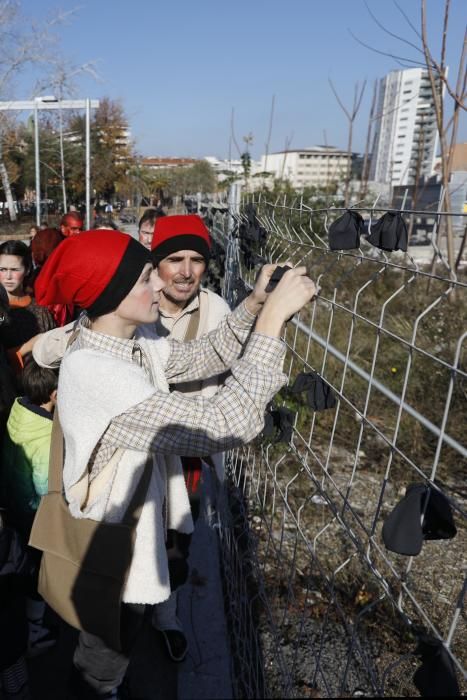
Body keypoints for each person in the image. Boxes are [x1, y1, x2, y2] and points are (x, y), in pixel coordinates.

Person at [31, 228, 316, 698]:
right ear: (110, 292)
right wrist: (272, 325)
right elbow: (226, 420)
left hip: (136, 528)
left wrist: (255, 305)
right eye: (146, 278)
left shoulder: (127, 339)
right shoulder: (100, 374)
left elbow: (198, 356)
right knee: (104, 656)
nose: (161, 285)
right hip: (116, 548)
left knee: (119, 638)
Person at [149, 214, 230, 659]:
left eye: (196, 259)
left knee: (179, 537)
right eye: (174, 258)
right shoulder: (134, 300)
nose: (185, 270)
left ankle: (167, 613)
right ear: (156, 263)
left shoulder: (216, 311)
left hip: (187, 454)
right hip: (138, 446)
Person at [1, 357, 59, 658]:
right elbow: (45, 487)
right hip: (33, 515)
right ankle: (34, 631)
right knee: (37, 571)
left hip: (12, 503)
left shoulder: (17, 410)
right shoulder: (46, 436)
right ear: (54, 395)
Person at [0, 241, 55, 375]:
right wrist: (26, 347)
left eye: (14, 270)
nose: (8, 276)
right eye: (2, 269)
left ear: (27, 270)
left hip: (39, 387)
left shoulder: (41, 310)